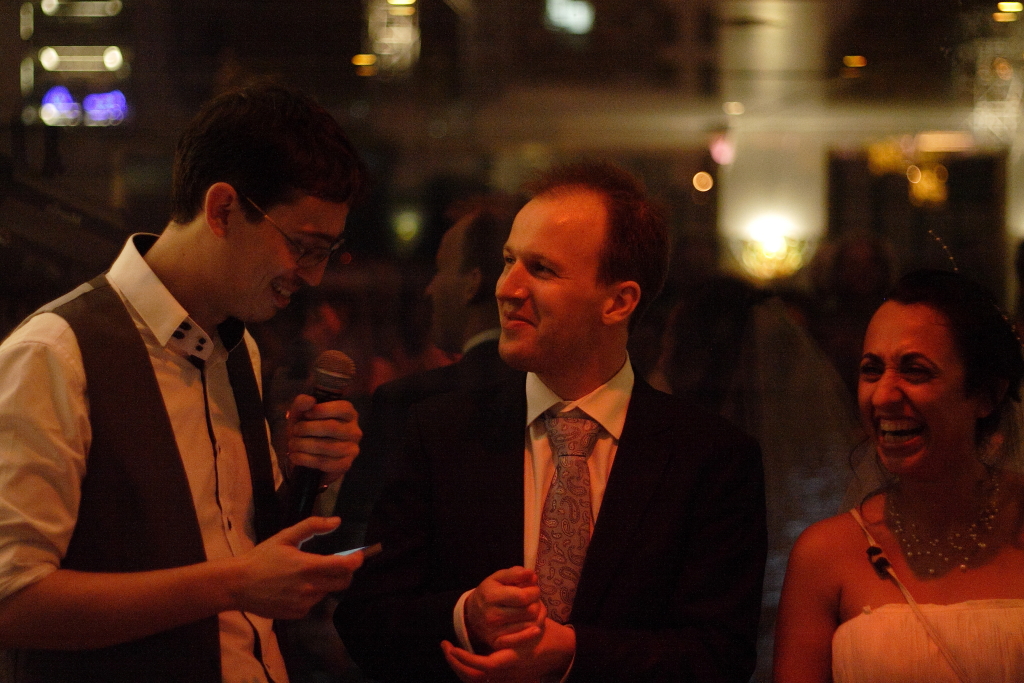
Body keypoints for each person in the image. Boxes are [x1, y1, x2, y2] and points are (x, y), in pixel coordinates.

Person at [334, 160, 767, 682]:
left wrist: (572, 653)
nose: (506, 288)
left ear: (618, 301)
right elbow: (364, 620)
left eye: (541, 269)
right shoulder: (440, 431)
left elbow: (721, 656)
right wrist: (466, 616)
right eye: (508, 261)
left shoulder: (710, 457)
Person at [0, 82, 369, 682]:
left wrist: (312, 475)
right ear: (222, 209)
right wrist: (233, 584)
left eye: (327, 252)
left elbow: (235, 548)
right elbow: (13, 603)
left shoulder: (238, 350)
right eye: (304, 247)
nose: (314, 276)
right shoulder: (55, 353)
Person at [773, 269, 1024, 683]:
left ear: (987, 395)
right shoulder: (824, 554)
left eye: (915, 371)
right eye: (871, 370)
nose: (884, 396)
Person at [330, 195, 522, 551]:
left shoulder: (412, 403)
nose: (430, 288)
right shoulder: (557, 395)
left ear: (472, 283)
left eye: (440, 268)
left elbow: (357, 545)